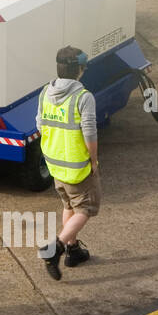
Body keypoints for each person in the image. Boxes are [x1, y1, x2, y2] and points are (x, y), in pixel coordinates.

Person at [37, 47, 100, 280]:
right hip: (77, 165)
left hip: (55, 163)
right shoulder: (83, 97)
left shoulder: (45, 92)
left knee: (69, 206)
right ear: (80, 70)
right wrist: (93, 160)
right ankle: (56, 248)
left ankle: (73, 251)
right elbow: (90, 133)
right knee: (85, 208)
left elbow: (40, 126)